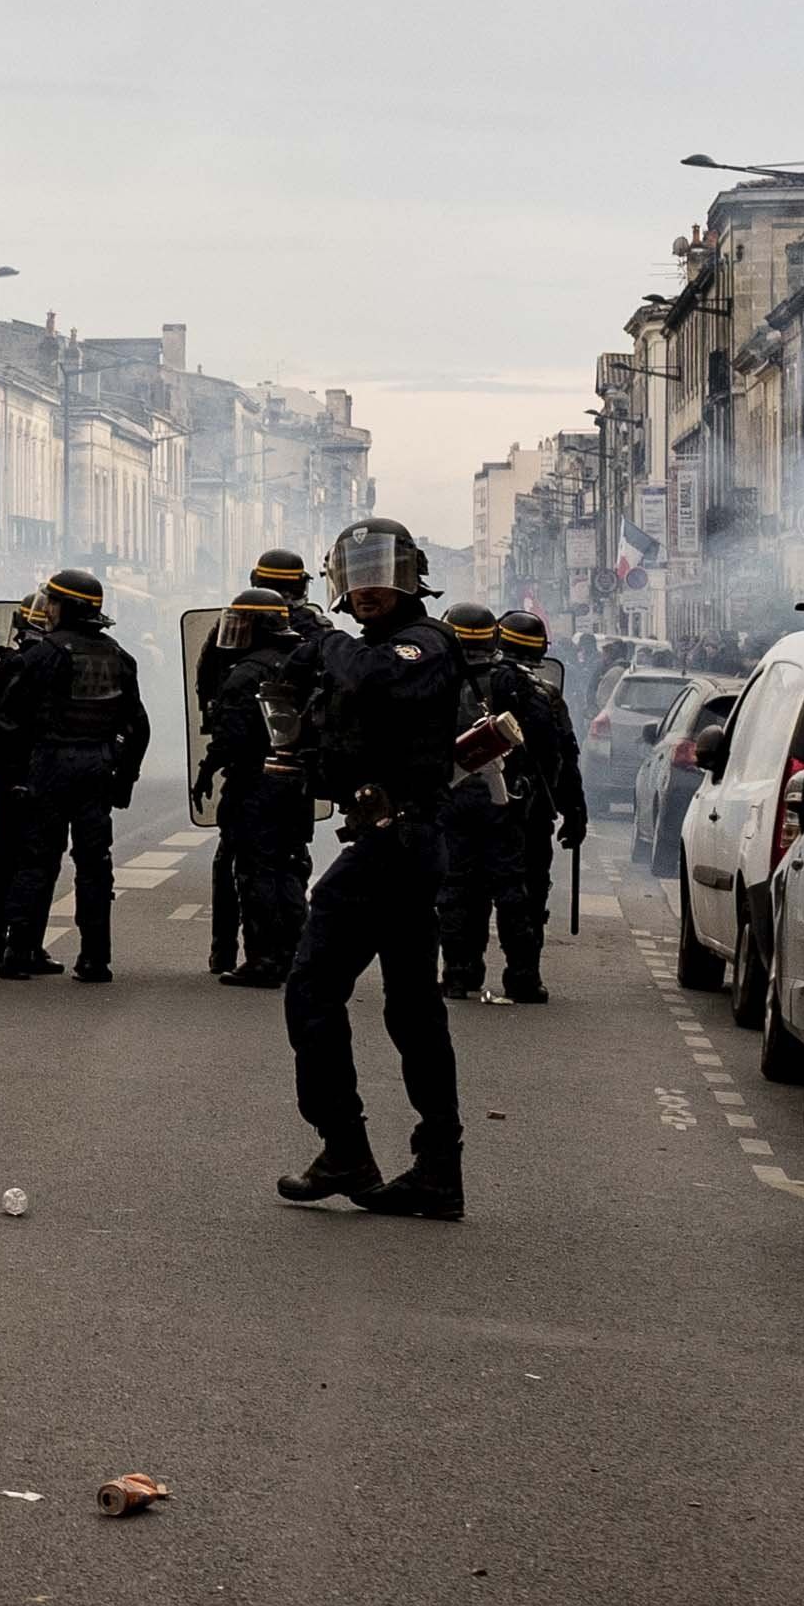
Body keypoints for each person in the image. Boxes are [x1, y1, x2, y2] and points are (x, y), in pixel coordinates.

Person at [277, 517, 469, 1220]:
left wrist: (320, 641)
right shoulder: (362, 651)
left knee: (312, 989)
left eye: (382, 573)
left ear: (412, 576)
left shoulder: (425, 644)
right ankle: (436, 1169)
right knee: (412, 1010)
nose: (366, 588)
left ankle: (346, 1147)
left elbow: (375, 679)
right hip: (389, 841)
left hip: (396, 847)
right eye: (355, 575)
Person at [0, 570, 148, 980]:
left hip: (51, 767)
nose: (46, 610)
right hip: (98, 769)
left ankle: (19, 952)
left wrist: (17, 769)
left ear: (65, 607)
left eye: (51, 603)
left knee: (36, 859)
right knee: (95, 864)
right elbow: (138, 726)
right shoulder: (119, 656)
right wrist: (123, 779)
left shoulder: (45, 653)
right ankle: (95, 958)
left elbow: (8, 715)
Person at [445, 610, 586, 1004]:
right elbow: (559, 756)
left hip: (455, 803)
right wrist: (572, 810)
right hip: (516, 806)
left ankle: (459, 974)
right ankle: (523, 977)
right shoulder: (534, 690)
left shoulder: (437, 683)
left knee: (458, 889)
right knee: (519, 891)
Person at [194, 562, 316, 985]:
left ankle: (261, 958)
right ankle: (294, 954)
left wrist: (209, 768)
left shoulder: (246, 672)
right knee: (291, 864)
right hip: (296, 781)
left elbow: (229, 733)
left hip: (254, 783)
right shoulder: (306, 659)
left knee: (254, 868)